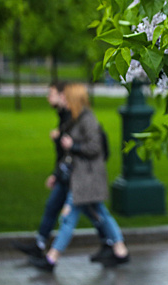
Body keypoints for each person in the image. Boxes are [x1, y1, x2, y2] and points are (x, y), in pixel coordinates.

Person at [29, 83, 129, 272]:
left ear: (73, 99)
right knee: (99, 214)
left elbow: (95, 148)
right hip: (81, 177)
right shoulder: (76, 119)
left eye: (66, 98)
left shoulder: (87, 119)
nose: (63, 101)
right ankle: (120, 250)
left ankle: (52, 258)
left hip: (87, 178)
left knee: (69, 217)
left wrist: (72, 145)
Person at [12, 82, 113, 264]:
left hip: (81, 176)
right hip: (72, 174)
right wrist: (57, 171)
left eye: (53, 94)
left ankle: (51, 256)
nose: (49, 98)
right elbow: (67, 152)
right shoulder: (71, 116)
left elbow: (93, 147)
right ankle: (113, 246)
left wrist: (66, 144)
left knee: (77, 215)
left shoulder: (83, 118)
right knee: (85, 211)